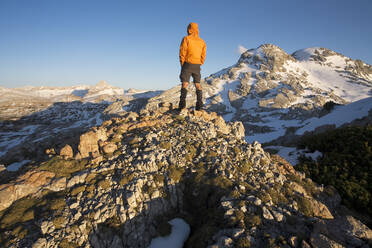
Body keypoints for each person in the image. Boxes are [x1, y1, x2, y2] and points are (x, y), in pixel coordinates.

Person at [178, 22, 206, 111]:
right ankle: (199, 106)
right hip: (197, 64)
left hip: (188, 63)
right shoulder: (202, 41)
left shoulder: (186, 39)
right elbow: (203, 54)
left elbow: (182, 52)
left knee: (185, 83)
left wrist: (183, 64)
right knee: (198, 84)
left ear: (189, 29)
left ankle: (182, 105)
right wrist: (200, 62)